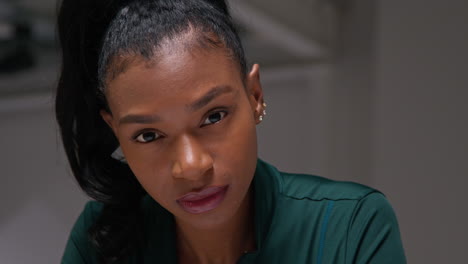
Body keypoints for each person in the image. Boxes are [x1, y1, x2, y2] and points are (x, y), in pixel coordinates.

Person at [56, 0, 406, 263]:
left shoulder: (349, 226)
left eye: (214, 116)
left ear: (255, 96)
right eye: (148, 135)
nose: (191, 166)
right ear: (115, 132)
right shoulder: (100, 241)